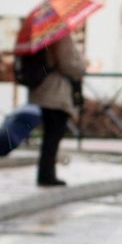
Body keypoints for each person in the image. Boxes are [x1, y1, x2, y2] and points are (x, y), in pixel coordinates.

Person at [30, 30, 87, 187]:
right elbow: (68, 64)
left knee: (50, 135)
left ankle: (46, 173)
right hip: (56, 92)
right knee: (53, 135)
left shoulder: (43, 34)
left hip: (44, 90)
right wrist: (83, 64)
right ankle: (47, 175)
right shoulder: (59, 34)